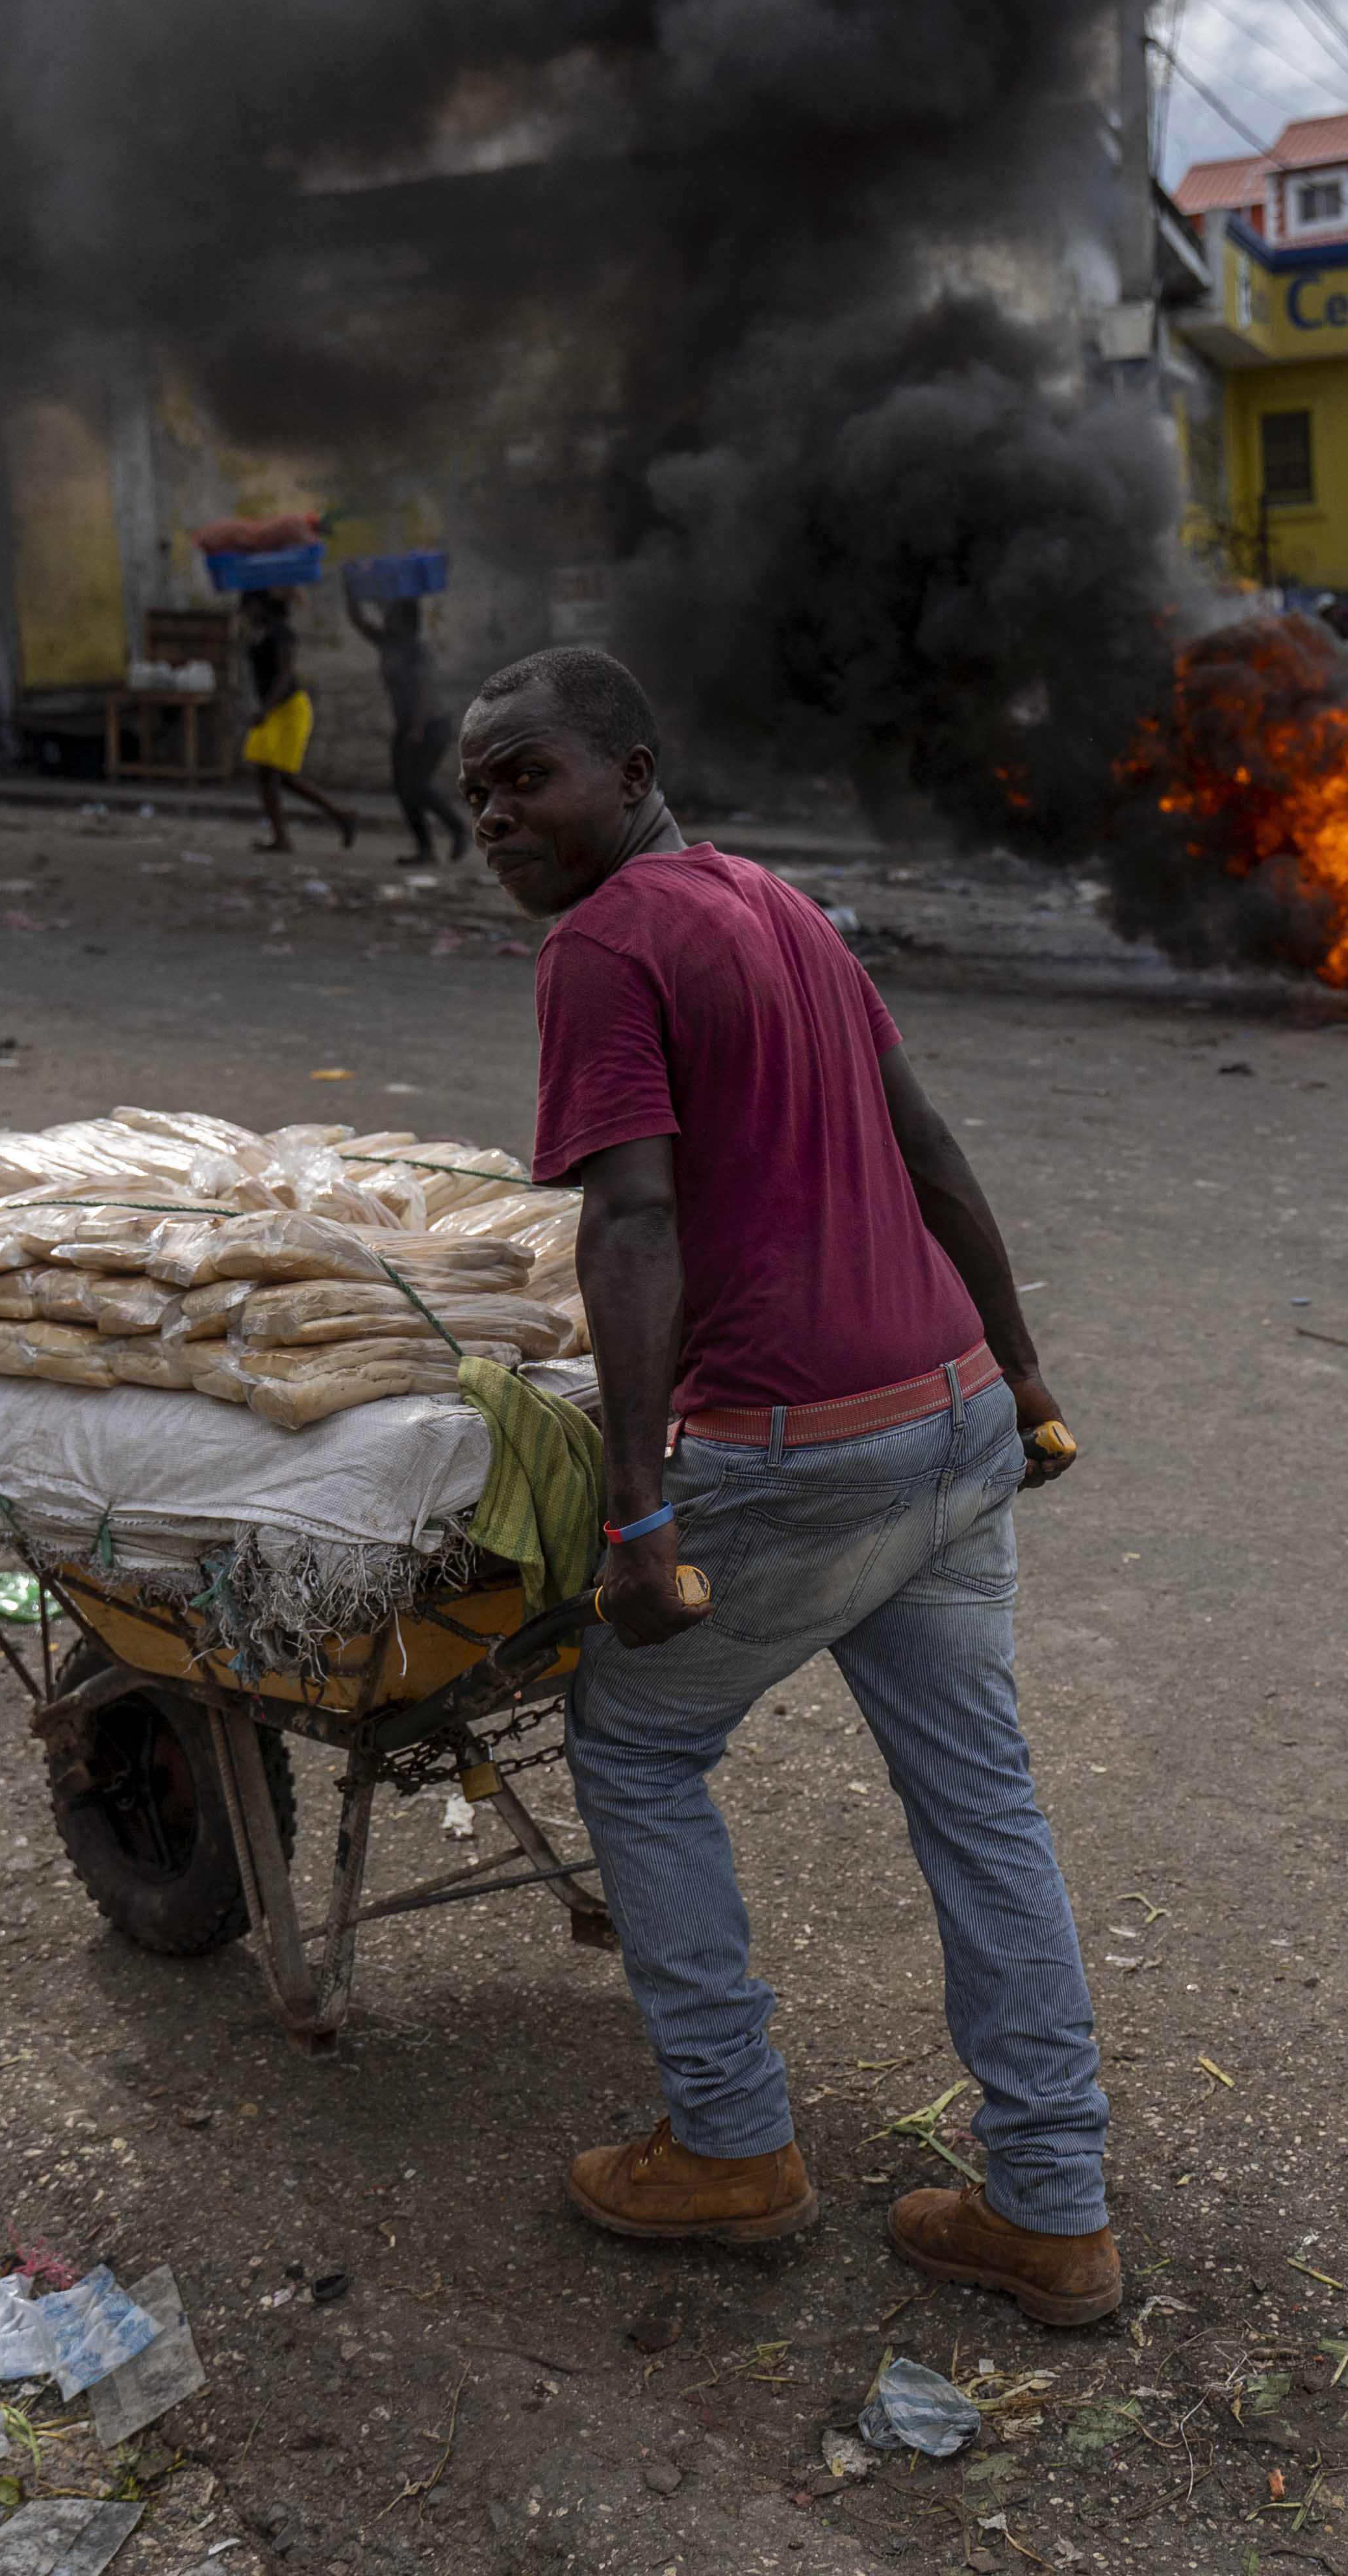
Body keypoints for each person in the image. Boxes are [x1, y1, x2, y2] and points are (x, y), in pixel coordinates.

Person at [462, 647, 1114, 2329]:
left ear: (631, 765)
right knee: (983, 1801)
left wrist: (638, 1516)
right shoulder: (780, 903)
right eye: (473, 794)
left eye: (525, 775)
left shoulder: (606, 942)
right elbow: (932, 1150)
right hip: (952, 1415)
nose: (494, 816)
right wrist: (1025, 1376)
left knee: (637, 1739)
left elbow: (631, 1224)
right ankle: (1051, 2204)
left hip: (796, 1450)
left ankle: (732, 2144)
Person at [344, 587, 463, 864]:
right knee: (403, 789)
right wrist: (351, 587)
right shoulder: (388, 642)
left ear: (408, 621)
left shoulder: (416, 650)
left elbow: (425, 689)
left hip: (430, 725)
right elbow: (358, 620)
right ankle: (425, 849)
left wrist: (418, 727)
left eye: (393, 616)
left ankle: (457, 829)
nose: (387, 619)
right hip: (408, 725)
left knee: (417, 786)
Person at [235, 588, 359, 853]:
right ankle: (287, 836)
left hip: (289, 709)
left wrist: (265, 709)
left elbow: (284, 676)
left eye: (249, 607)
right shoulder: (259, 634)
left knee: (281, 775)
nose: (244, 612)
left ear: (262, 606)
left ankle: (340, 816)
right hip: (273, 710)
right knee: (266, 774)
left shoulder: (282, 634)